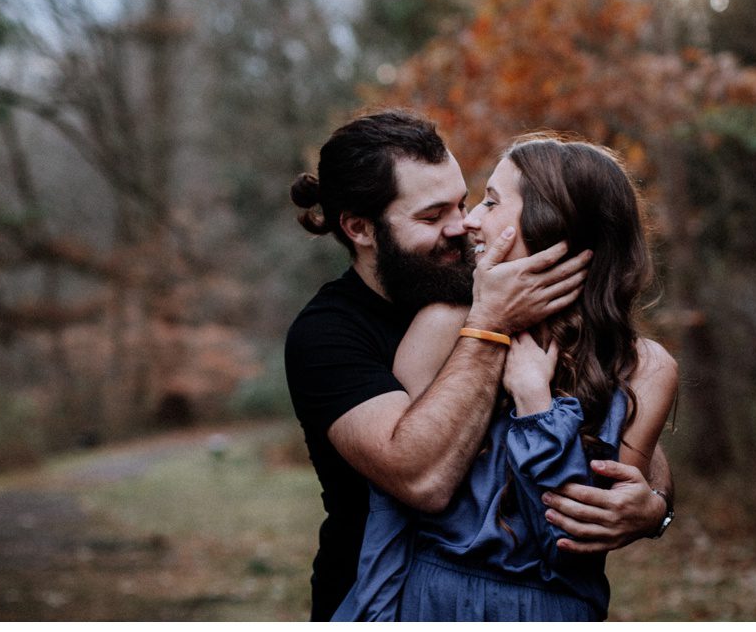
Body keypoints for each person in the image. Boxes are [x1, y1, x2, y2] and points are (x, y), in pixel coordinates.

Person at [284, 110, 674, 621]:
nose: (462, 226)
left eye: (466, 203)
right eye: (430, 217)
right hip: (387, 592)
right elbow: (421, 479)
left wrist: (655, 507)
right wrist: (492, 324)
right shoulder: (329, 334)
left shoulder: (484, 285)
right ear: (359, 228)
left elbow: (620, 437)